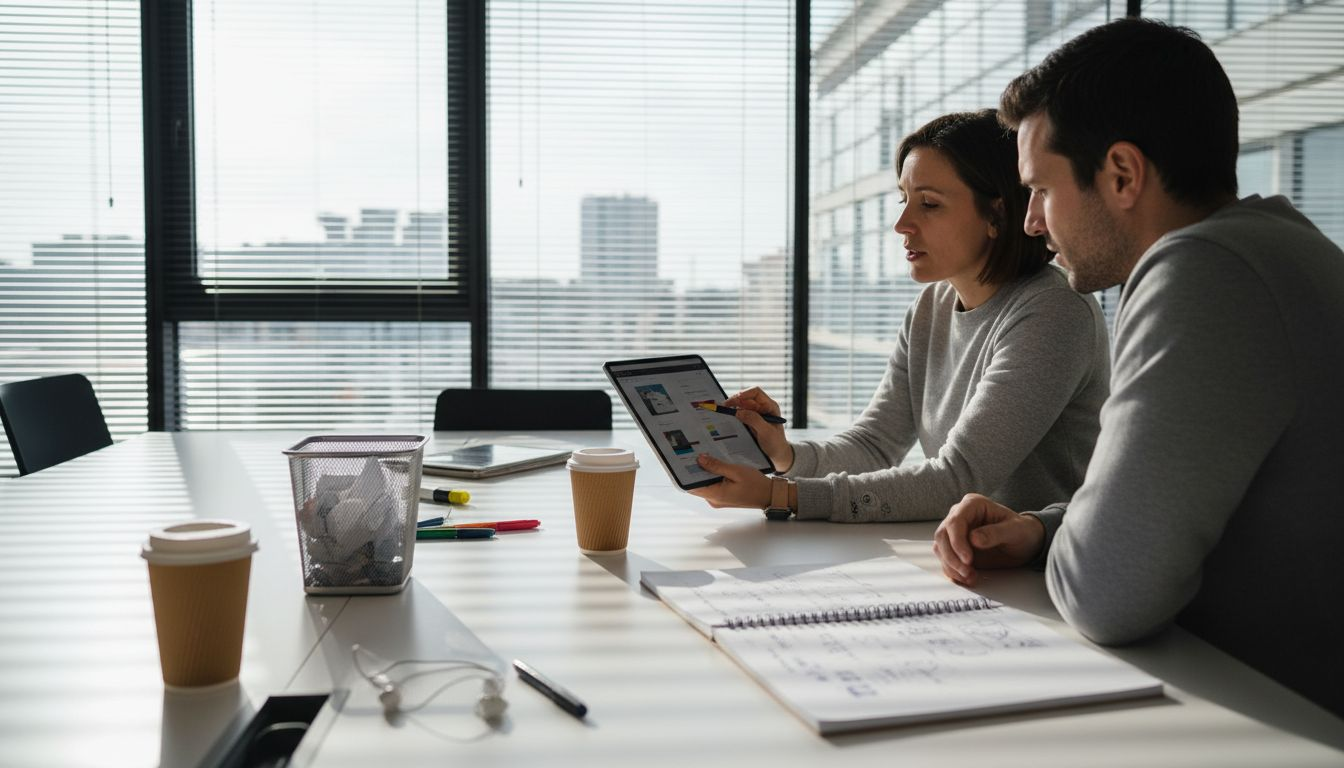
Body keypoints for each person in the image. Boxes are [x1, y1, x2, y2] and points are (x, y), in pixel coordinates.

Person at [931, 19, 1344, 718]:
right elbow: (1198, 509)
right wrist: (1042, 528)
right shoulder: (1283, 250)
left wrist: (1074, 537)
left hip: (1276, 724)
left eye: (1041, 189)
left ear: (1121, 173)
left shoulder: (1203, 273)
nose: (1032, 221)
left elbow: (1106, 593)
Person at [692, 109, 1110, 522]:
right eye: (904, 200)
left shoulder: (1054, 311)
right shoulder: (931, 308)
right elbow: (875, 445)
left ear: (996, 216)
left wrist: (779, 494)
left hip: (1042, 570)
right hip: (967, 557)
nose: (902, 224)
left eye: (928, 204)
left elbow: (958, 478)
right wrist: (783, 455)